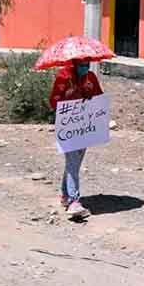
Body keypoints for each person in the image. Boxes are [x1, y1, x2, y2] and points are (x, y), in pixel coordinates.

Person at [50, 60, 103, 219]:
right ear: (74, 64)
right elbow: (53, 101)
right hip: (68, 127)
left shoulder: (90, 77)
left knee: (74, 163)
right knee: (72, 162)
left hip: (84, 126)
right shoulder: (63, 77)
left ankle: (65, 195)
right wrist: (67, 95)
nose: (84, 68)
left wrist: (88, 96)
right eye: (81, 65)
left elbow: (98, 98)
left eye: (87, 64)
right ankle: (74, 201)